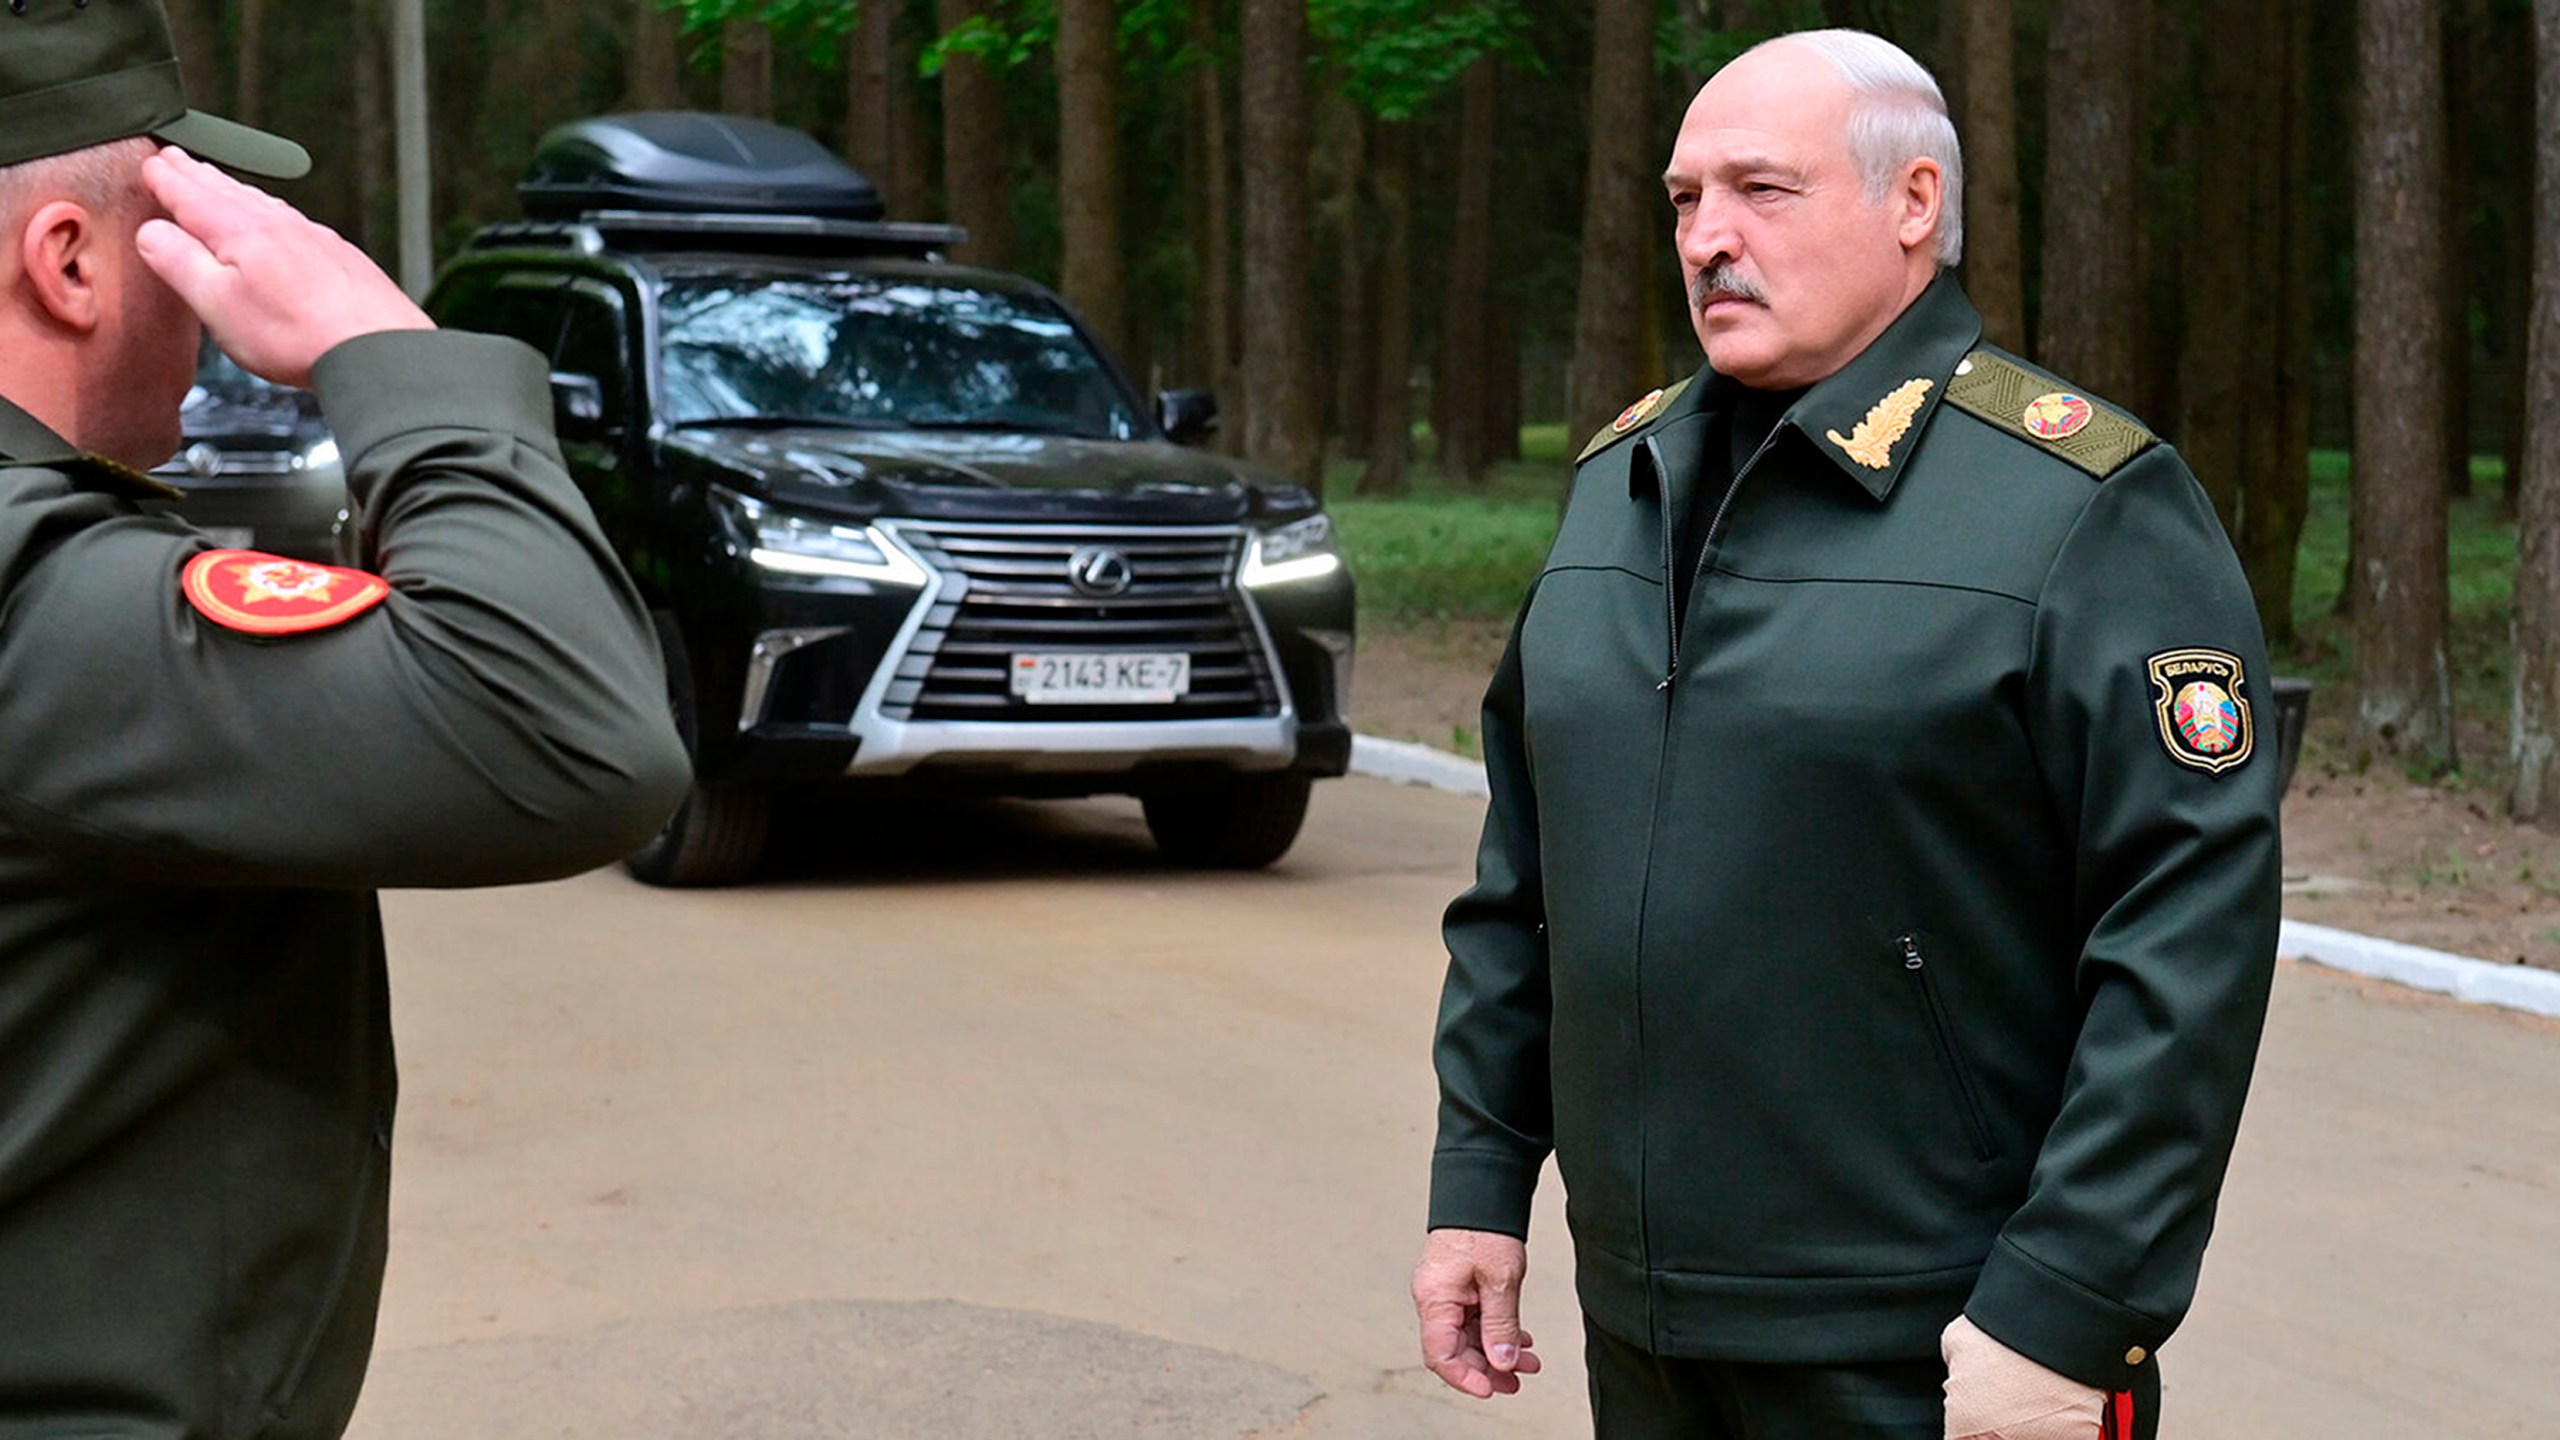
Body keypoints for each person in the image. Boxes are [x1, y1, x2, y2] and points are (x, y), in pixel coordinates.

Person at [1411, 28, 2280, 1440]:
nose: (1708, 239)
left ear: (1914, 204)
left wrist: (2069, 1305)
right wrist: (1479, 1184)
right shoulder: (1618, 488)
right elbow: (1524, 883)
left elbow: (2186, 940)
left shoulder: (2077, 506)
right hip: (1648, 1329)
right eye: (1686, 201)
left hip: (1938, 1341)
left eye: (1762, 190)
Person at [0, 3, 693, 1435]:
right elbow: (569, 734)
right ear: (70, 263)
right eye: (170, 230)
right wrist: (395, 355)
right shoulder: (37, 604)